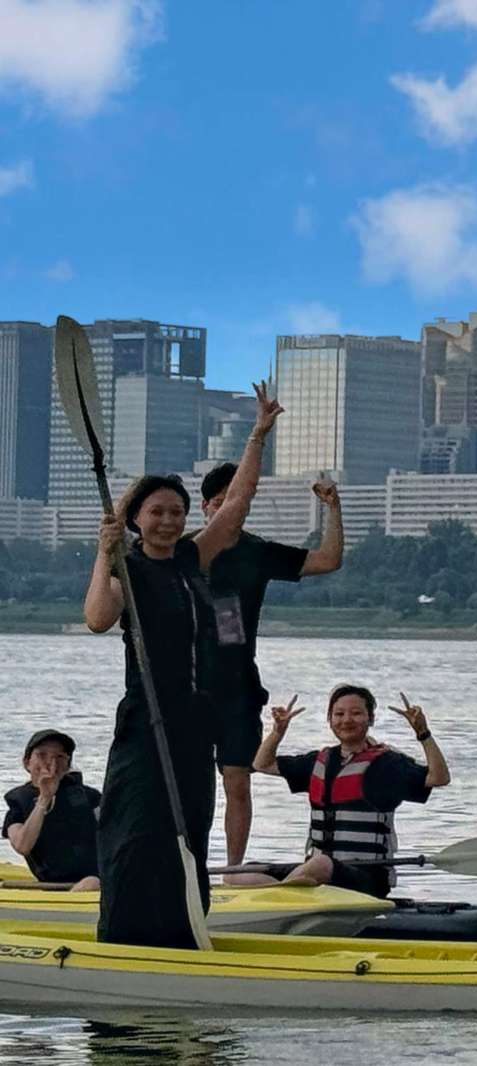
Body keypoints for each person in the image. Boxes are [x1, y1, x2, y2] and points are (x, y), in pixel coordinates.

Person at [83, 382, 280, 948]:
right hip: (146, 723)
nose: (168, 520)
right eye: (157, 512)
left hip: (195, 723)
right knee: (135, 832)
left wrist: (258, 435)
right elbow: (98, 617)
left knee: (189, 831)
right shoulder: (128, 567)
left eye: (177, 511)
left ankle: (183, 934)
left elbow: (237, 503)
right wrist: (104, 553)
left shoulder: (194, 557)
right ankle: (125, 935)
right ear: (137, 519)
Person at [197, 464, 344, 867]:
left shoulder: (256, 551)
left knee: (237, 781)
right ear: (206, 506)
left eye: (237, 501)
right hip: (187, 687)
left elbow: (328, 560)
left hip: (238, 689)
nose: (228, 509)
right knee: (186, 784)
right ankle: (185, 864)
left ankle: (232, 868)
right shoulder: (184, 550)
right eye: (220, 501)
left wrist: (333, 508)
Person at [233, 685, 448, 899]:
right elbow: (262, 764)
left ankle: (278, 898)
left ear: (370, 719)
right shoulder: (319, 761)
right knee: (237, 875)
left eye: (356, 713)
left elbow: (439, 778)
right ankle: (285, 895)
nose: (346, 720)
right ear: (330, 720)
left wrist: (423, 733)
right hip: (317, 871)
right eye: (339, 714)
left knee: (320, 864)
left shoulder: (388, 765)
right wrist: (278, 732)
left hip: (367, 877)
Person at [4, 730, 102, 891]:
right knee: (91, 883)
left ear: (68, 765)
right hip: (59, 886)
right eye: (42, 755)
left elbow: (117, 833)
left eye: (60, 757)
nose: (51, 763)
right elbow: (22, 846)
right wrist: (45, 798)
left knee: (94, 881)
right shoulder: (18, 804)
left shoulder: (90, 798)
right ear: (27, 762)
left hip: (102, 878)